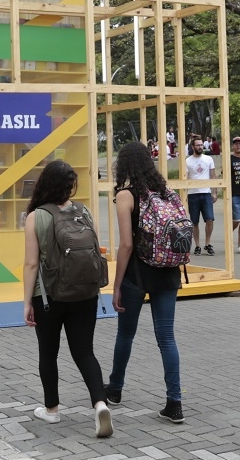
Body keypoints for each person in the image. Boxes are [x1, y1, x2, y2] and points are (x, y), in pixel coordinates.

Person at [21, 160, 113, 438]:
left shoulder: (36, 216)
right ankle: (99, 404)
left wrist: (27, 302)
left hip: (49, 297)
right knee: (85, 351)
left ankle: (51, 410)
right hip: (85, 294)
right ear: (70, 185)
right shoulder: (84, 211)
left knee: (48, 353)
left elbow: (30, 264)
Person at [106, 141, 185, 423]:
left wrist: (116, 286)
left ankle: (114, 390)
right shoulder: (168, 193)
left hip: (136, 277)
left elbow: (126, 246)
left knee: (125, 335)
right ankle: (174, 403)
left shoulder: (126, 196)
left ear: (123, 165)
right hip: (168, 273)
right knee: (167, 338)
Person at [184, 136, 216, 256]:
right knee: (194, 221)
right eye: (197, 145)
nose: (200, 147)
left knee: (209, 219)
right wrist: (184, 195)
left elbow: (213, 176)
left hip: (206, 193)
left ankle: (207, 243)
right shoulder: (187, 161)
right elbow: (185, 178)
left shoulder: (209, 159)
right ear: (193, 147)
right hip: (193, 194)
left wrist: (214, 192)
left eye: (201, 145)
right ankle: (197, 245)